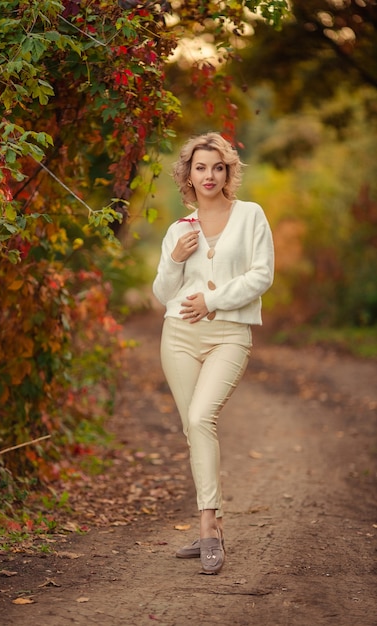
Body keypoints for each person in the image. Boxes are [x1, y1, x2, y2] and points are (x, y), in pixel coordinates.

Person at [152, 132, 274, 575]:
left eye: (217, 167)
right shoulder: (178, 230)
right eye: (200, 167)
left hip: (229, 333)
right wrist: (174, 260)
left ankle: (207, 525)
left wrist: (214, 299)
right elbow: (163, 292)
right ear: (188, 174)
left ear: (228, 172)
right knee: (193, 427)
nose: (209, 175)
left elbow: (262, 274)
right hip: (179, 335)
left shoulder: (251, 216)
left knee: (203, 417)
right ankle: (215, 525)